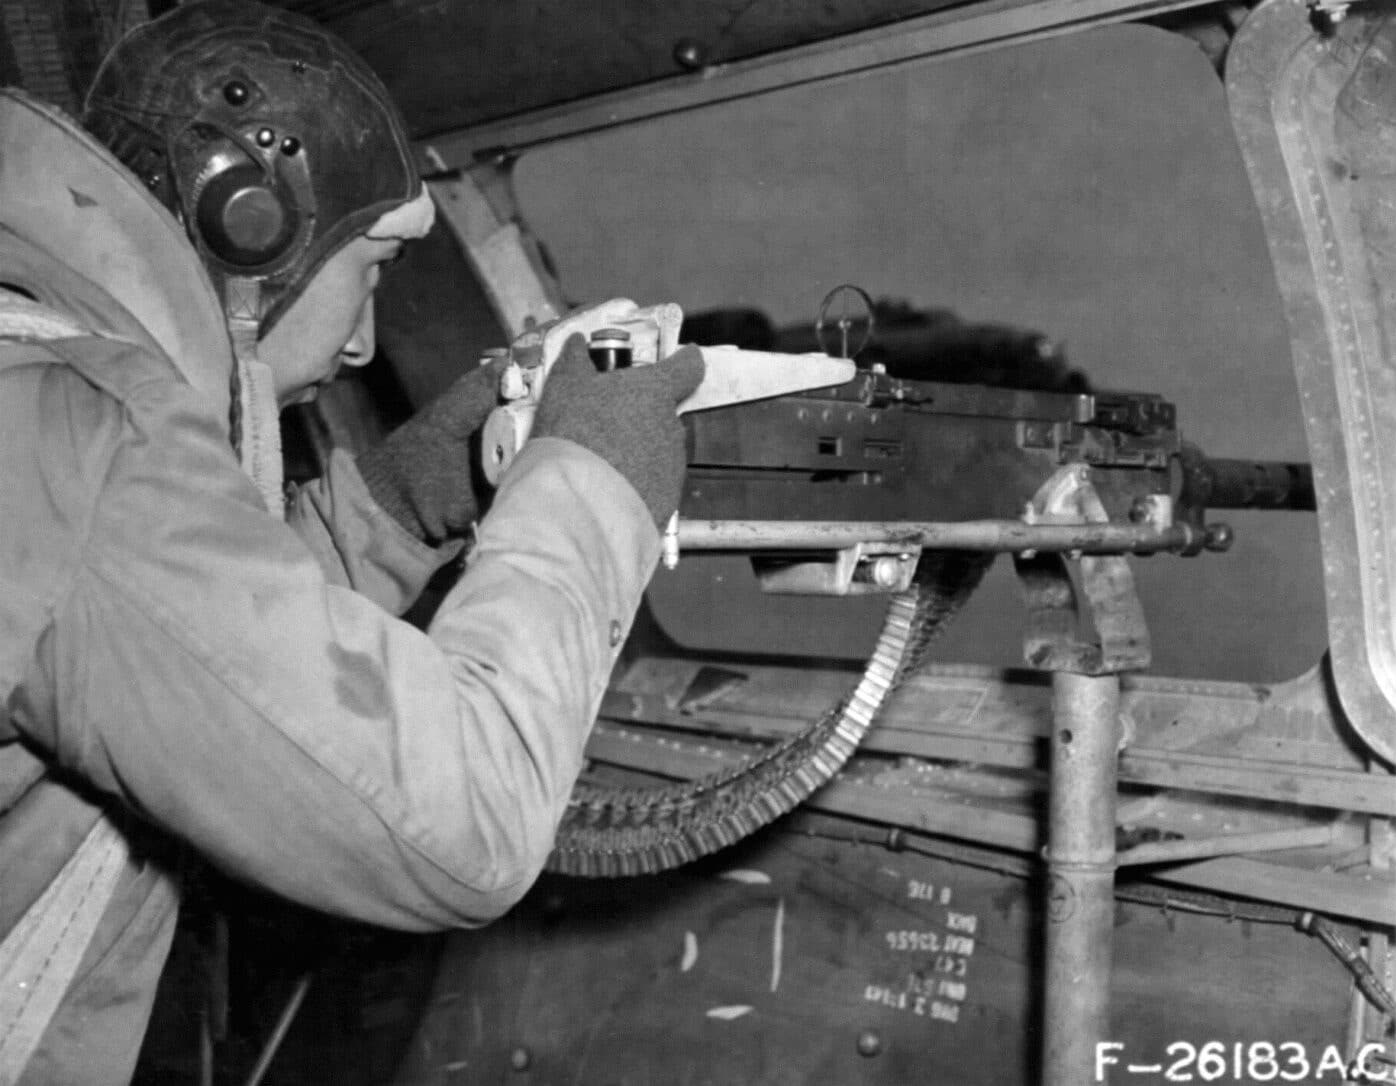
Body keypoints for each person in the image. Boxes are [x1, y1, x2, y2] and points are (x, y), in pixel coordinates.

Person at [0, 2, 702, 1082]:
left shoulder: (38, 390)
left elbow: (179, 656)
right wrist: (595, 473)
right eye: (371, 269)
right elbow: (467, 819)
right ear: (250, 227)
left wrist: (394, 501)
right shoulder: (92, 435)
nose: (370, 338)